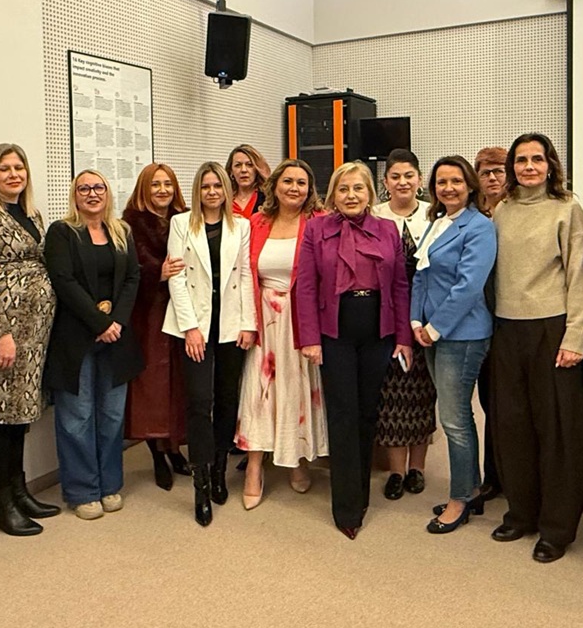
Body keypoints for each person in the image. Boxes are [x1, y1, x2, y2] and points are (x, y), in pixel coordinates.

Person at [489, 133, 583, 563]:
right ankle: (521, 513)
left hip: (552, 328)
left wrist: (575, 337)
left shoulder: (567, 209)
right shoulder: (502, 210)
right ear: (512, 167)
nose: (528, 167)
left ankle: (556, 528)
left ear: (550, 165)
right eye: (521, 160)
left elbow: (578, 276)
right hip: (507, 329)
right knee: (512, 427)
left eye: (537, 159)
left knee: (557, 433)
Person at [297, 161, 412, 540]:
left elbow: (400, 286)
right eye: (343, 189)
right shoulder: (316, 229)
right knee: (343, 416)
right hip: (335, 332)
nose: (351, 195)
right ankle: (347, 508)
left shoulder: (388, 229)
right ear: (333, 194)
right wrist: (310, 338)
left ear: (370, 193)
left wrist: (403, 337)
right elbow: (306, 287)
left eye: (358, 188)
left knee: (367, 414)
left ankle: (361, 493)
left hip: (378, 329)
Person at [0, 144, 58, 537]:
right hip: (7, 331)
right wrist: (1, 333)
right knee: (0, 416)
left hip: (35, 331)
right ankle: (1, 506)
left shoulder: (31, 213)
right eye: (5, 168)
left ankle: (20, 492)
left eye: (19, 167)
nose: (14, 174)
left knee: (20, 414)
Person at [44, 170, 142, 520]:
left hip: (116, 336)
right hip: (76, 337)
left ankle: (110, 485)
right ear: (75, 195)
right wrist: (100, 324)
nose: (92, 193)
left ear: (107, 193)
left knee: (112, 414)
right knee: (78, 416)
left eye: (98, 187)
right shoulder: (62, 232)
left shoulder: (121, 231)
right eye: (83, 188)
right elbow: (64, 281)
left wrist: (116, 322)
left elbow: (133, 277)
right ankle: (82, 490)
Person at [163, 161, 256, 526]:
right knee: (200, 402)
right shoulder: (180, 223)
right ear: (197, 191)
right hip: (196, 327)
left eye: (218, 186)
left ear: (226, 190)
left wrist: (248, 323)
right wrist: (190, 328)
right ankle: (200, 486)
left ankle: (219, 470)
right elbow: (176, 278)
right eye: (206, 186)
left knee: (228, 398)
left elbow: (245, 275)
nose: (212, 192)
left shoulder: (241, 226)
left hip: (231, 325)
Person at [235, 159, 327, 508]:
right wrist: (247, 321)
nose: (294, 188)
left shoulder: (319, 222)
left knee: (296, 389)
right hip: (265, 319)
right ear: (274, 185)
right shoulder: (256, 223)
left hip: (302, 319)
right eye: (287, 181)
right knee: (258, 392)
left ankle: (296, 457)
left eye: (301, 183)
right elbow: (243, 274)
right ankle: (254, 467)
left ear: (310, 189)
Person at [412, 155, 497, 534]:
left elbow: (469, 286)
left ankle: (460, 498)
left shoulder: (479, 227)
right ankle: (472, 488)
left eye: (456, 181)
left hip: (462, 335)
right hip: (430, 331)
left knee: (454, 418)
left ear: (470, 186)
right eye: (441, 182)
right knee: (455, 414)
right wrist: (416, 320)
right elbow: (420, 275)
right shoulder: (436, 223)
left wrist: (435, 328)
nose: (448, 188)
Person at [370, 148, 436, 500]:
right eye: (395, 176)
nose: (402, 182)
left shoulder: (434, 213)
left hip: (427, 317)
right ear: (385, 182)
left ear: (419, 179)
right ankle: (396, 471)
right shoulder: (374, 216)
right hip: (387, 315)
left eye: (409, 175)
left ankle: (417, 468)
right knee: (391, 395)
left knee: (423, 394)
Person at [122, 162, 190, 490]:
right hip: (148, 313)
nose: (162, 190)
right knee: (151, 386)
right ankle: (156, 453)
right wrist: (156, 273)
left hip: (184, 310)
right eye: (155, 185)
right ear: (143, 189)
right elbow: (129, 269)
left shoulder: (187, 219)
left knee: (178, 382)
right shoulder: (130, 225)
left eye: (167, 184)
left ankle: (174, 447)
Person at [472, 146, 509, 505]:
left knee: (509, 403)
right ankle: (493, 476)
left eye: (500, 171)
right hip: (478, 321)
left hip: (513, 321)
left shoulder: (517, 211)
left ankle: (514, 475)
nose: (493, 178)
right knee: (488, 402)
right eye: (486, 172)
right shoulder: (471, 214)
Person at [227, 143, 270, 220]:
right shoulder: (224, 199)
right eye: (238, 165)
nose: (243, 170)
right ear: (231, 171)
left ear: (257, 169)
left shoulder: (269, 199)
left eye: (249, 165)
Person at [474, 147, 508, 217]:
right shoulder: (471, 213)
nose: (492, 178)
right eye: (485, 173)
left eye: (498, 171)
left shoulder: (520, 208)